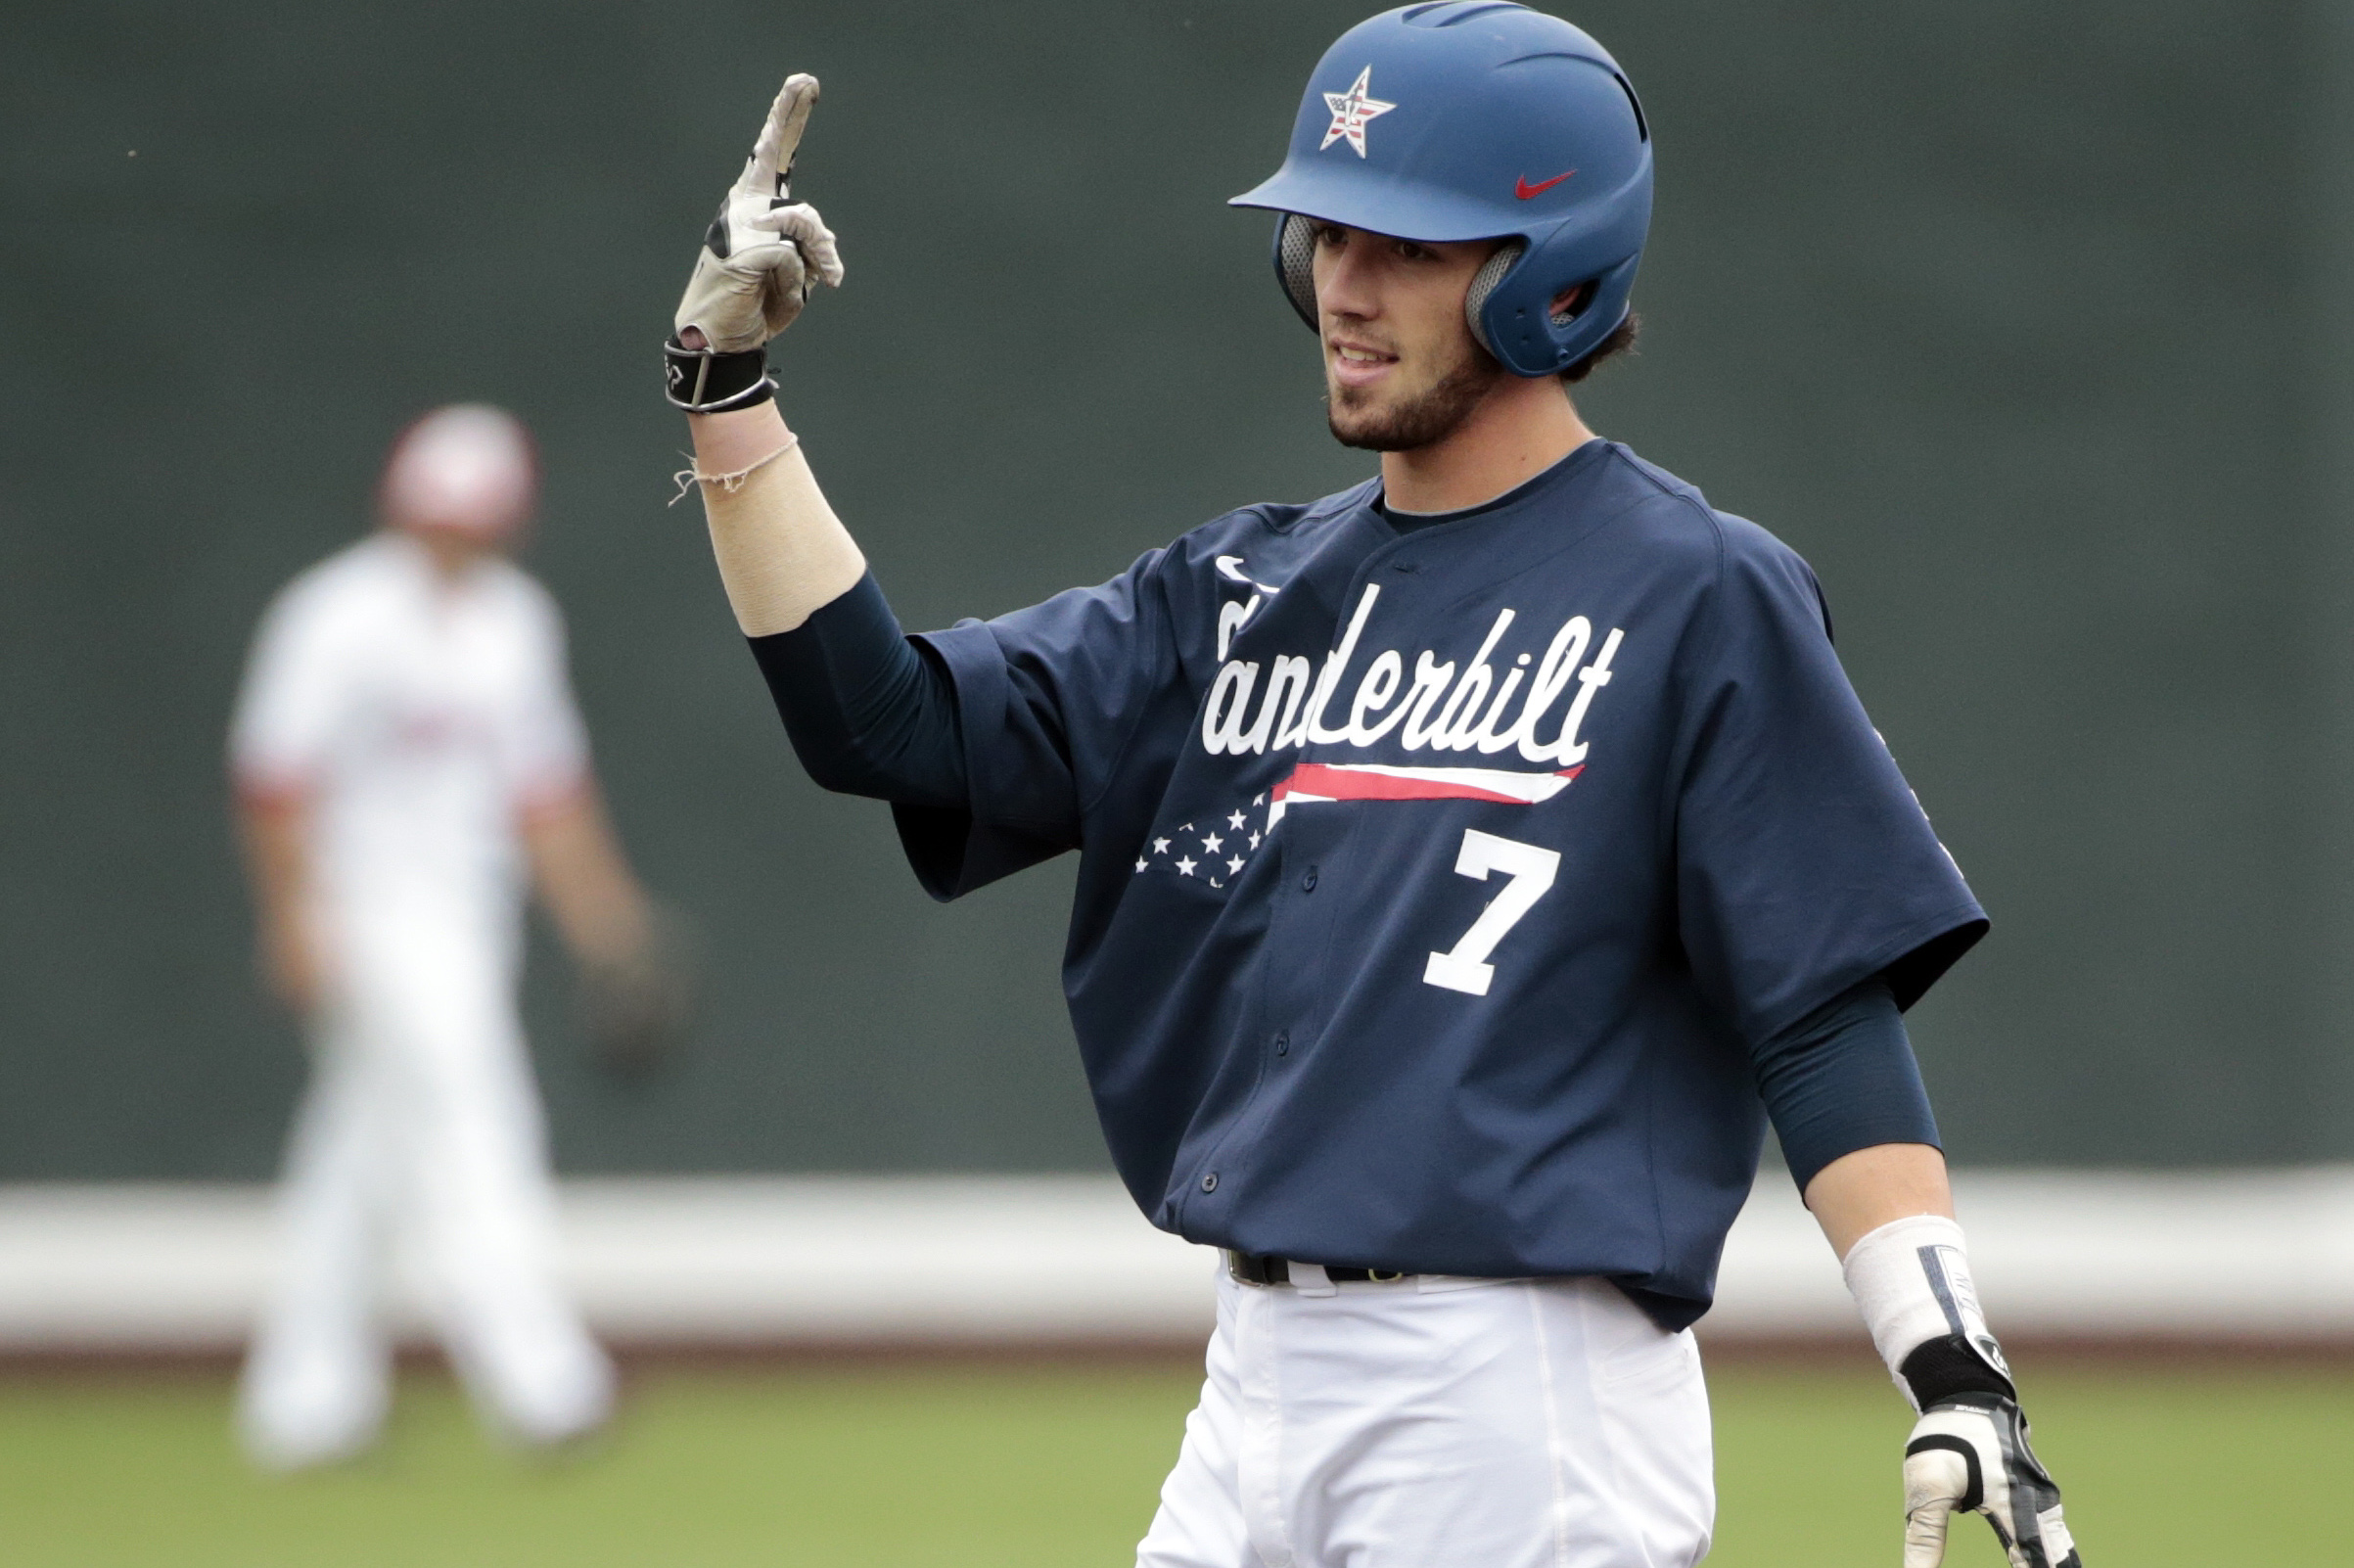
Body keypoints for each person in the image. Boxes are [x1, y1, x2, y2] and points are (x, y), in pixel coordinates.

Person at [664, 8, 2081, 1565]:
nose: (1342, 280)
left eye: (1407, 244)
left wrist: (1952, 1365)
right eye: (1326, 232)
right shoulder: (1235, 588)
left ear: (1554, 269)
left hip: (1520, 1391)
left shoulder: (1695, 592)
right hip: (1255, 1378)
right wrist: (730, 394)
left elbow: (1819, 1012)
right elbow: (892, 731)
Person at [229, 404, 656, 1469]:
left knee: (361, 1150)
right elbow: (275, 780)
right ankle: (545, 1384)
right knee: (477, 1117)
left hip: (470, 915)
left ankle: (302, 1401)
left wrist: (607, 922)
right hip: (363, 910)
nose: (451, 534)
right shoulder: (336, 613)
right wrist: (289, 918)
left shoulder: (515, 622)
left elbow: (545, 792)